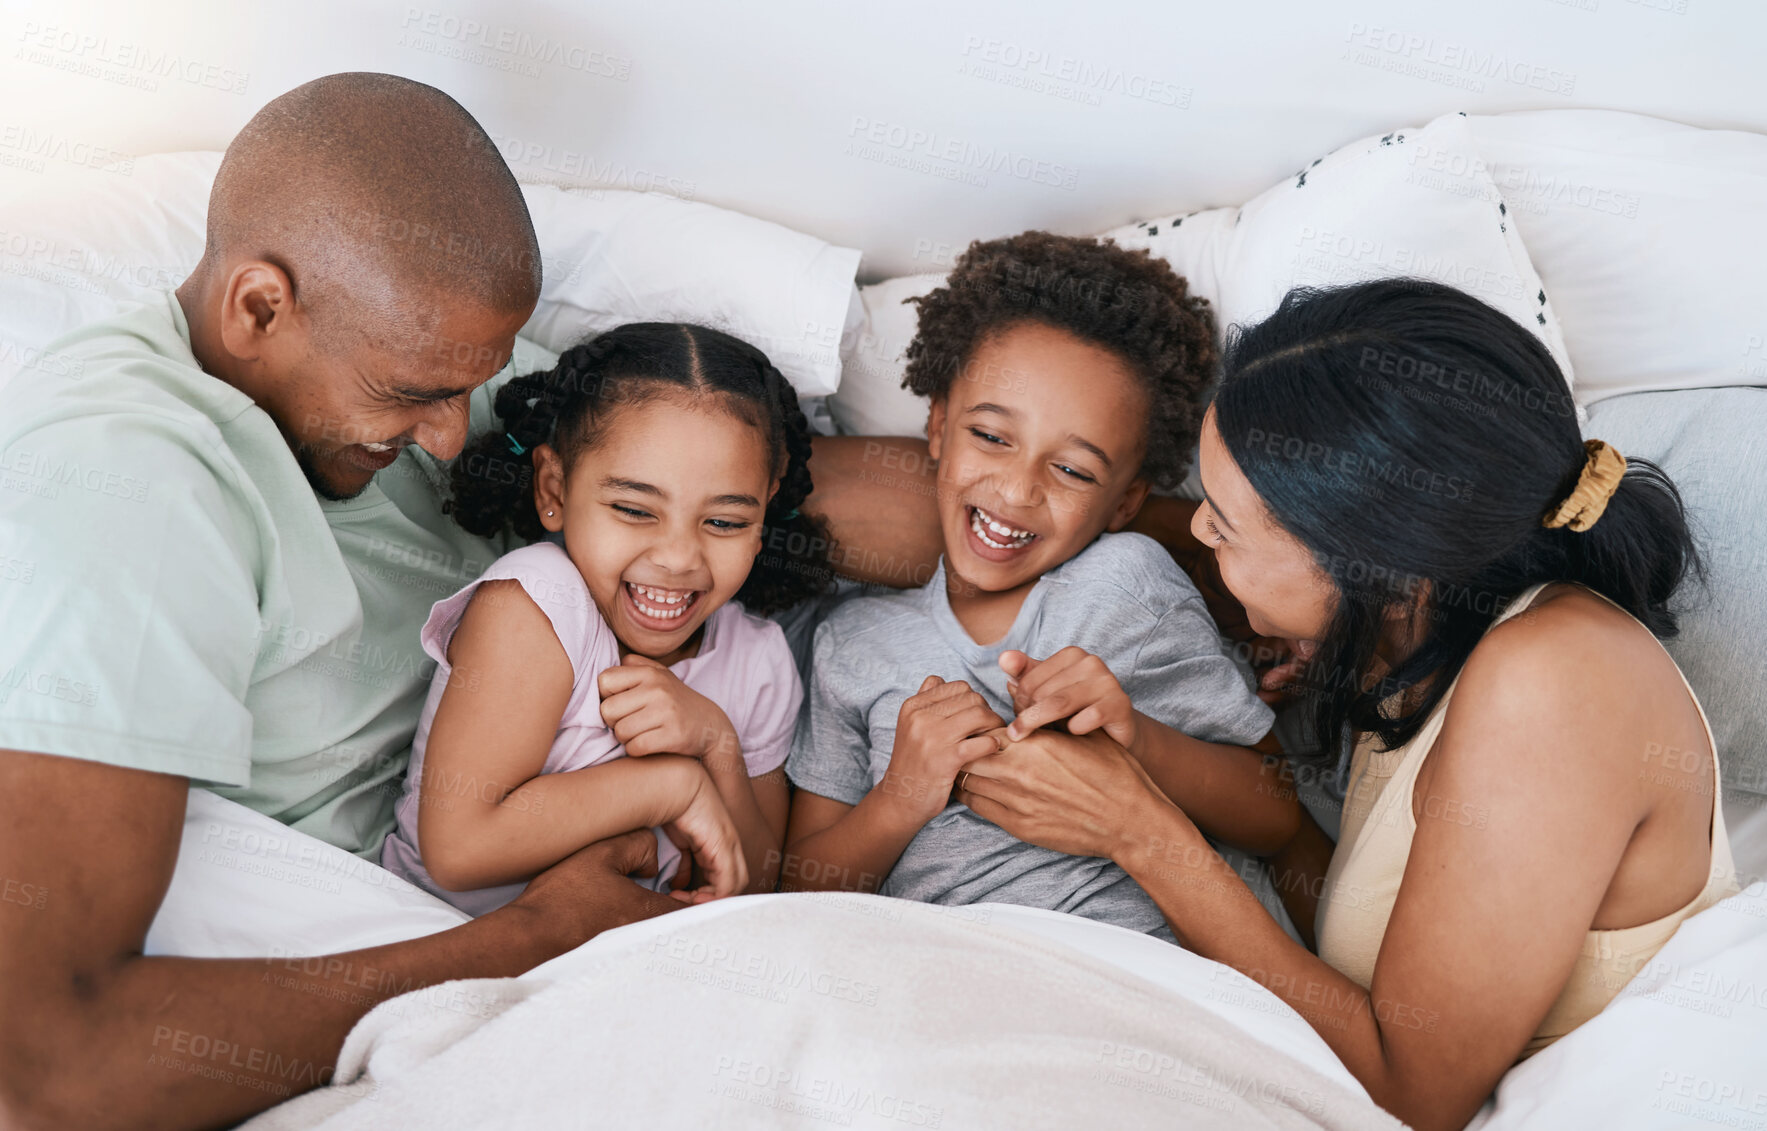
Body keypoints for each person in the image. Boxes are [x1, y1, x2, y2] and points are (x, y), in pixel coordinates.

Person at [0, 74, 934, 1130]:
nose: (455, 438)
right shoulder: (133, 491)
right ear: (260, 306)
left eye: (468, 387)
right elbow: (41, 1069)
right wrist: (526, 943)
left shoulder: (404, 347)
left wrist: (1114, 511)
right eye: (415, 396)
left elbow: (761, 476)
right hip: (381, 926)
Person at [950, 278, 1741, 1131]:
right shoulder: (1417, 634)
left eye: (1224, 521)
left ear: (1376, 564)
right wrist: (1145, 750)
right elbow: (1371, 932)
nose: (1201, 534)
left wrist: (1138, 832)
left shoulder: (1553, 684)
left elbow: (1412, 1095)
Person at [780, 232, 1297, 934]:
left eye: (1074, 471)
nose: (1017, 490)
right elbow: (800, 893)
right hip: (944, 979)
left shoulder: (1126, 583)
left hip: (1142, 967)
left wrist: (1134, 737)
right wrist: (901, 795)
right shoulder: (851, 641)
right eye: (991, 437)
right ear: (936, 426)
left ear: (1123, 502)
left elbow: (1273, 816)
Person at [381, 324, 830, 912]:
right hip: (439, 933)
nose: (678, 558)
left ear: (766, 509)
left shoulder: (759, 661)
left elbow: (756, 884)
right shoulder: (537, 605)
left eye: (724, 522)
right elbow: (458, 850)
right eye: (634, 509)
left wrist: (717, 745)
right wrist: (673, 786)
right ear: (555, 489)